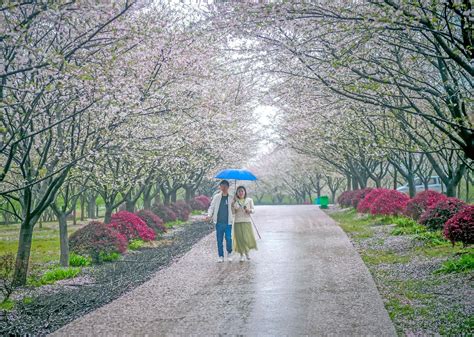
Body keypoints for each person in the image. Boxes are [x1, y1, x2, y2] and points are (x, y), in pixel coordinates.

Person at [206, 180, 233, 262]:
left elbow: (235, 207)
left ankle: (229, 252)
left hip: (228, 222)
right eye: (222, 186)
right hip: (219, 222)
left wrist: (235, 201)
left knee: (228, 238)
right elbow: (212, 207)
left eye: (225, 186)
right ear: (220, 187)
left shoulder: (231, 197)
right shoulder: (216, 197)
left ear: (228, 187)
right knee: (219, 240)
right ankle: (220, 256)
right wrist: (209, 215)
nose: (224, 188)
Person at [232, 186, 257, 262]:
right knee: (240, 238)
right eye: (239, 191)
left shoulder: (249, 200)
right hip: (237, 221)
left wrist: (249, 210)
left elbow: (253, 210)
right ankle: (241, 255)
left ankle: (247, 253)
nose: (241, 193)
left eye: (242, 191)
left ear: (245, 192)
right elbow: (233, 212)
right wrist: (235, 202)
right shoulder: (234, 201)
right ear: (237, 193)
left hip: (247, 221)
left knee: (246, 238)